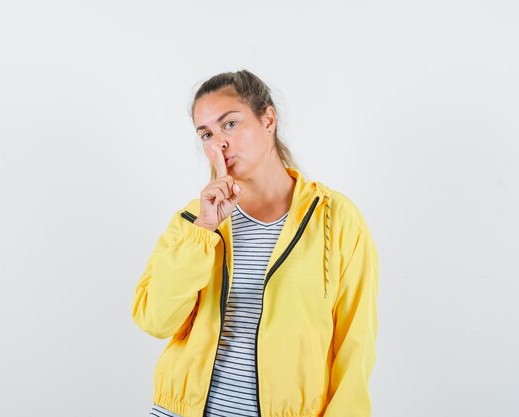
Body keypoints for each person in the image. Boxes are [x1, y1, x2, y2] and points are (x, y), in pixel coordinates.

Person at [131, 69, 379, 417]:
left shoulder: (336, 220)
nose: (218, 144)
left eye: (229, 124)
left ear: (268, 120)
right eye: (206, 134)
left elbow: (355, 347)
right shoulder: (193, 220)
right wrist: (204, 230)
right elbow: (156, 320)